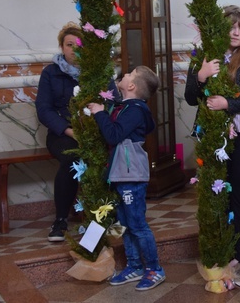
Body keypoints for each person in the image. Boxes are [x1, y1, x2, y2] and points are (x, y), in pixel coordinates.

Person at [183, 5, 240, 286]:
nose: (236, 32)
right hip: (213, 139)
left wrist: (228, 104)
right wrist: (201, 75)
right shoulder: (205, 56)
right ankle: (218, 257)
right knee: (216, 198)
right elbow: (190, 97)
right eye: (231, 27)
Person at [87, 66, 165, 291]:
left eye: (129, 74)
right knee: (124, 224)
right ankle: (134, 265)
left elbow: (113, 134)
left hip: (132, 175)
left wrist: (100, 113)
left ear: (131, 86)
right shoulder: (126, 106)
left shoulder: (135, 110)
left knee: (137, 224)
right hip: (121, 174)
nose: (124, 75)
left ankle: (154, 268)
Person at [36, 22, 84, 242]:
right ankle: (61, 220)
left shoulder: (92, 70)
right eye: (69, 44)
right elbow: (43, 110)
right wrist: (68, 130)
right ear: (62, 47)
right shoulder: (51, 73)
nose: (73, 48)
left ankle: (105, 215)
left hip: (91, 131)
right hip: (61, 134)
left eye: (78, 44)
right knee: (72, 159)